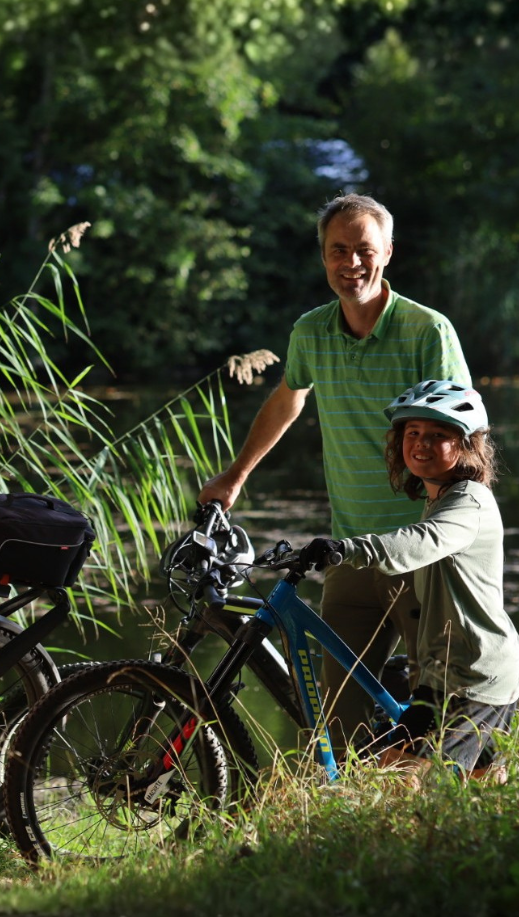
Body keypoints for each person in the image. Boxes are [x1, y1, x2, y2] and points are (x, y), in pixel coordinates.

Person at [199, 192, 471, 746]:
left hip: (421, 549)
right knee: (338, 716)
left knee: (438, 712)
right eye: (337, 251)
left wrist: (457, 522)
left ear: (388, 252)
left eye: (363, 249)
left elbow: (464, 432)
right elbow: (289, 397)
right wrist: (236, 475)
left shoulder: (428, 331)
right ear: (323, 257)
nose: (351, 264)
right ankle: (350, 818)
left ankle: (444, 814)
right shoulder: (311, 332)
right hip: (351, 546)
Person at [301, 380, 519, 779]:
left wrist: (348, 549)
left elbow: (423, 542)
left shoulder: (469, 501)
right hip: (462, 673)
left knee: (401, 777)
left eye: (438, 435)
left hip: (470, 677)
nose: (421, 443)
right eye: (412, 433)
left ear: (466, 446)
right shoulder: (440, 496)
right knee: (480, 791)